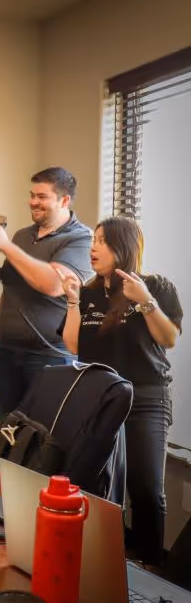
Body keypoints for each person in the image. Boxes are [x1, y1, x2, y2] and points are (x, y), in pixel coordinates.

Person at [59, 216, 182, 565]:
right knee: (95, 483)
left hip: (146, 398)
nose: (93, 248)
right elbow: (73, 346)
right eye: (94, 240)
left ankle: (149, 567)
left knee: (146, 488)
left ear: (123, 247)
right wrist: (72, 302)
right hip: (100, 397)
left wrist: (145, 301)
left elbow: (169, 339)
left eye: (103, 241)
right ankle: (100, 562)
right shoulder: (88, 292)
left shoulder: (154, 286)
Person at [0, 167, 93, 420]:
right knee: (9, 431)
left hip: (50, 356)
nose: (33, 202)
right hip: (8, 352)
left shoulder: (81, 238)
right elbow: (9, 291)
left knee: (43, 432)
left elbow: (54, 284)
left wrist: (5, 246)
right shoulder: (23, 236)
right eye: (32, 195)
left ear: (64, 200)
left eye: (42, 196)